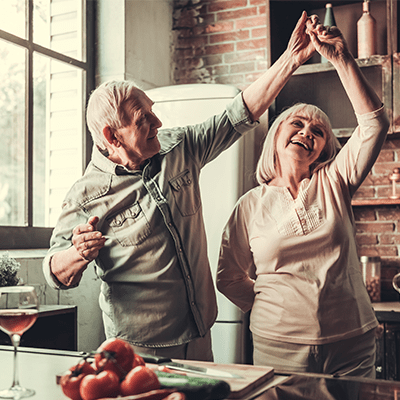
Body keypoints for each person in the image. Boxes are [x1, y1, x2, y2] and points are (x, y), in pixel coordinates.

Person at [43, 12, 320, 360]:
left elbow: (239, 112)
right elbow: (55, 272)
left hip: (201, 331)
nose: (159, 122)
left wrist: (291, 59)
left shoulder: (179, 147)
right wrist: (77, 253)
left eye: (152, 111)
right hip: (139, 348)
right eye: (144, 119)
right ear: (112, 137)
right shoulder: (85, 195)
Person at [216, 20, 390, 376]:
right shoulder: (249, 204)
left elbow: (374, 124)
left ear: (325, 148)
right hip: (276, 345)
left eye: (318, 131)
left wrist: (341, 59)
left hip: (350, 342)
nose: (307, 132)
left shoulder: (335, 180)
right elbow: (229, 278)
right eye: (297, 123)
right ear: (276, 135)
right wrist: (276, 309)